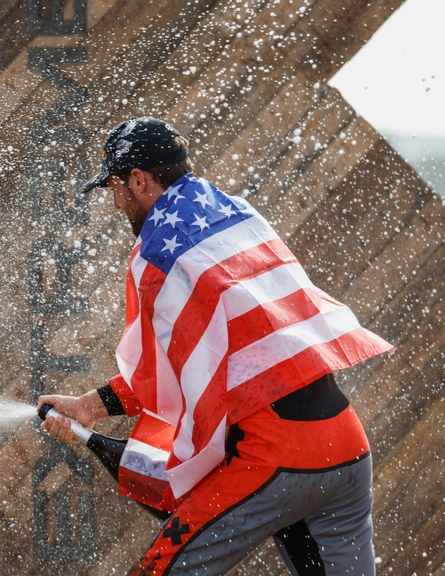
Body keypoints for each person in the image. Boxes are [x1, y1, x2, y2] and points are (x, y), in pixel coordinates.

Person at [38, 117, 392, 575]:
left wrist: (96, 405)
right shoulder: (237, 216)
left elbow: (162, 377)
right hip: (346, 449)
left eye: (114, 186)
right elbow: (242, 349)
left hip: (279, 458)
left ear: (139, 180)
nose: (115, 201)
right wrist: (91, 407)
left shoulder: (160, 253)